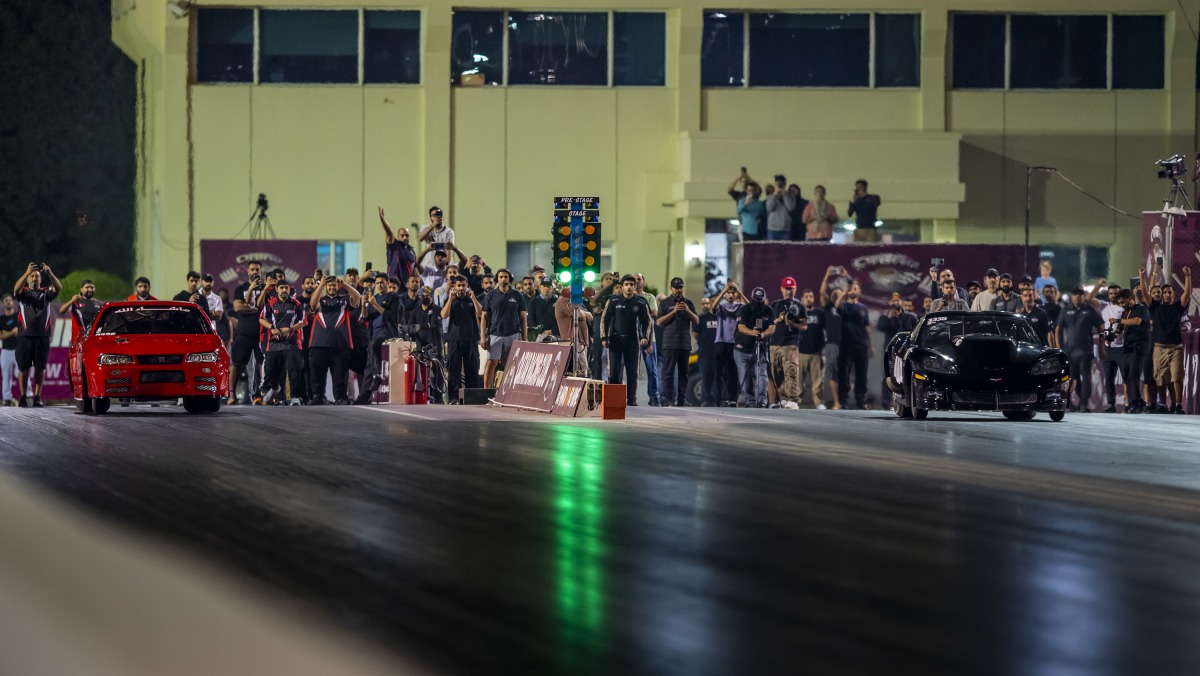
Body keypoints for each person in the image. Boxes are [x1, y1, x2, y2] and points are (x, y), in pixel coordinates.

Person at [1144, 264, 1192, 414]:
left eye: (1170, 292)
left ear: (1173, 294)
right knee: (1161, 379)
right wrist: (1145, 276)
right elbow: (1146, 294)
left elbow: (1187, 293)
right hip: (1159, 349)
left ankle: (1178, 405)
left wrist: (1187, 276)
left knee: (1177, 377)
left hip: (1176, 348)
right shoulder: (1155, 308)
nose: (1167, 294)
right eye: (1164, 292)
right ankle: (1163, 404)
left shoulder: (1178, 307)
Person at [308, 272, 361, 405]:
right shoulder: (320, 299)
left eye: (334, 285)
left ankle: (340, 398)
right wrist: (321, 284)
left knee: (340, 374)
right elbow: (312, 305)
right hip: (318, 343)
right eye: (329, 285)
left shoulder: (344, 299)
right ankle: (317, 397)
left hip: (340, 343)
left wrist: (344, 284)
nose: (332, 287)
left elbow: (357, 298)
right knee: (317, 374)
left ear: (338, 286)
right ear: (326, 287)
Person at [13, 262, 61, 407]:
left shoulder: (46, 293)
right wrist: (27, 272)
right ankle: (23, 397)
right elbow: (16, 289)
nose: (34, 278)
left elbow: (58, 287)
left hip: (42, 336)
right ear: (28, 279)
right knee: (23, 368)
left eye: (37, 276)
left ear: (40, 279)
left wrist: (49, 273)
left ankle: (37, 397)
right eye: (32, 276)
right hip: (24, 336)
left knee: (40, 368)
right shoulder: (23, 293)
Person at [601, 275, 653, 405]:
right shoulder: (613, 301)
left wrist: (644, 337)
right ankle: (613, 399)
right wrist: (604, 337)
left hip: (633, 342)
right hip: (615, 341)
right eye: (626, 284)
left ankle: (632, 399)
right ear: (622, 286)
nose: (629, 287)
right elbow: (604, 319)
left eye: (631, 284)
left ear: (635, 286)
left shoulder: (641, 302)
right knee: (613, 371)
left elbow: (647, 321)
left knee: (632, 372)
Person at [258, 279, 305, 406]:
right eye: (281, 288)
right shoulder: (271, 303)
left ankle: (294, 397)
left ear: (289, 289)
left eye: (286, 288)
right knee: (270, 371)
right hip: (273, 344)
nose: (284, 290)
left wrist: (290, 329)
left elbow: (303, 321)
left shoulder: (296, 304)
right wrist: (272, 328)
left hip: (291, 343)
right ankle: (274, 388)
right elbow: (261, 319)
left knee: (294, 370)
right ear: (277, 290)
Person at [1056, 285, 1103, 412]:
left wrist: (1102, 347)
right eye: (1075, 294)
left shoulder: (1089, 310)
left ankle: (1083, 403)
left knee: (1086, 377)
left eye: (1080, 294)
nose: (1078, 296)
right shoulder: (1065, 310)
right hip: (1070, 351)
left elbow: (1101, 326)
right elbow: (1058, 329)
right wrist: (1059, 347)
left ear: (1084, 296)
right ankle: (1079, 400)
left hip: (1085, 351)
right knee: (1073, 378)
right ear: (1072, 296)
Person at [480, 268, 528, 388]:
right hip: (495, 333)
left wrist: (525, 337)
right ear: (497, 279)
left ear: (509, 278)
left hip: (513, 334)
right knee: (492, 362)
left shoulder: (517, 295)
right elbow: (484, 317)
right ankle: (486, 392)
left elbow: (523, 317)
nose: (503, 279)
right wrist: (483, 336)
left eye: (505, 277)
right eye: (501, 277)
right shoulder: (490, 295)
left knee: (510, 364)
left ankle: (508, 391)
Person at [656, 277, 698, 406]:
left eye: (680, 287)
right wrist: (673, 312)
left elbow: (697, 320)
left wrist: (687, 310)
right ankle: (669, 399)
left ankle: (681, 400)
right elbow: (659, 322)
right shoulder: (665, 303)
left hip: (684, 343)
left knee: (683, 373)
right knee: (668, 373)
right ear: (671, 288)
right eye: (676, 287)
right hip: (669, 343)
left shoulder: (688, 303)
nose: (678, 290)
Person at [229, 263, 266, 405]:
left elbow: (266, 307)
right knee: (236, 364)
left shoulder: (265, 289)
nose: (255, 271)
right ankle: (232, 395)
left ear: (261, 272)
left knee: (262, 364)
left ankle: (261, 395)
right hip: (244, 332)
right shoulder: (241, 289)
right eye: (252, 269)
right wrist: (256, 308)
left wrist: (249, 307)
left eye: (257, 269)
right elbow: (237, 307)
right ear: (248, 272)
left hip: (261, 333)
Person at [1087, 280, 1125, 413]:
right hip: (1108, 348)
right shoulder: (1103, 306)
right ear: (1108, 295)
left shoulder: (1125, 308)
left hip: (1122, 347)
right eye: (1111, 293)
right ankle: (1111, 404)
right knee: (1108, 377)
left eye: (1116, 293)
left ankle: (1128, 403)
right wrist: (1098, 286)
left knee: (1126, 377)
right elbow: (1088, 299)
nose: (1113, 295)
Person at [443, 275, 482, 403]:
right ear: (454, 286)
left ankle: (472, 398)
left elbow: (480, 313)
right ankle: (454, 398)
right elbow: (444, 315)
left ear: (467, 286)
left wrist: (473, 298)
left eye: (463, 285)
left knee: (472, 369)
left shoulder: (471, 299)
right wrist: (450, 299)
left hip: (471, 339)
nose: (461, 288)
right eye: (458, 286)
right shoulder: (451, 299)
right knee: (453, 370)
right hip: (454, 340)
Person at [768, 277, 806, 409]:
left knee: (791, 371)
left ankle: (793, 399)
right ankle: (783, 398)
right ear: (781, 289)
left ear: (795, 289)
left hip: (790, 343)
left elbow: (804, 325)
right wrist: (779, 319)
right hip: (775, 343)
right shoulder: (775, 304)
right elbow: (769, 322)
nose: (788, 291)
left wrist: (792, 322)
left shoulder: (800, 306)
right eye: (786, 288)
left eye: (791, 289)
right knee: (776, 372)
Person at [733, 287, 775, 408]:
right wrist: (753, 333)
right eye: (756, 300)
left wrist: (763, 334)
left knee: (762, 374)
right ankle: (749, 400)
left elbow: (772, 328)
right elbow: (741, 327)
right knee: (744, 376)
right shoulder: (744, 310)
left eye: (760, 301)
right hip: (742, 348)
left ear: (764, 299)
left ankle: (761, 400)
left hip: (760, 348)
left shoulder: (768, 310)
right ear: (752, 299)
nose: (758, 303)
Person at [1111, 288, 1150, 414]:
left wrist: (1118, 320)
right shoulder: (1125, 312)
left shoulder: (1141, 309)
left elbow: (1137, 321)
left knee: (1134, 374)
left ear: (1130, 298)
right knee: (1126, 374)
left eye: (1123, 302)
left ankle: (1134, 403)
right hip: (1128, 347)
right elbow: (1120, 329)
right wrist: (1112, 334)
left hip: (1140, 346)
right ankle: (1138, 401)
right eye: (1120, 303)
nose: (1121, 305)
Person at [875, 292, 917, 406]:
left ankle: (904, 401)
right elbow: (880, 327)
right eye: (893, 301)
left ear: (901, 302)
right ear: (889, 303)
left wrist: (900, 316)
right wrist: (889, 318)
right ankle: (886, 401)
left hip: (905, 350)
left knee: (905, 375)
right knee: (888, 375)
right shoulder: (885, 317)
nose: (896, 303)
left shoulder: (909, 317)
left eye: (898, 300)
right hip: (890, 351)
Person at [709, 281, 744, 405]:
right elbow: (713, 307)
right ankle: (719, 398)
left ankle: (731, 398)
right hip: (721, 341)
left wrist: (740, 292)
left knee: (732, 372)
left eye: (733, 293)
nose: (730, 295)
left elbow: (750, 307)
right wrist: (723, 290)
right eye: (728, 293)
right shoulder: (721, 306)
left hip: (734, 342)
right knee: (719, 371)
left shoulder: (740, 306)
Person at [838, 288, 872, 410]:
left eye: (856, 288)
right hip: (845, 344)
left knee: (861, 373)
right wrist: (844, 293)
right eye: (852, 288)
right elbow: (837, 307)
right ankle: (843, 400)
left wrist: (870, 345)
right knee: (844, 373)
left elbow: (867, 327)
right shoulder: (843, 305)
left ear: (859, 291)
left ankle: (860, 400)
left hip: (860, 344)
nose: (854, 290)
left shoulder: (863, 308)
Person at [795, 288, 826, 409]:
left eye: (811, 296)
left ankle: (819, 402)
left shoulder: (819, 313)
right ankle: (797, 401)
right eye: (806, 297)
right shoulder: (798, 314)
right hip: (800, 352)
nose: (809, 299)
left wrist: (823, 347)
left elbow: (825, 330)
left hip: (816, 352)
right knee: (798, 380)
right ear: (802, 299)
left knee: (818, 380)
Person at [555, 287, 593, 375]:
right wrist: (583, 314)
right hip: (572, 340)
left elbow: (590, 316)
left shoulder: (574, 302)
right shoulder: (563, 302)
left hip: (581, 340)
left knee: (583, 367)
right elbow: (579, 315)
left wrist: (583, 313)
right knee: (580, 368)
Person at [378, 207, 418, 287]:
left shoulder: (411, 251)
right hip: (394, 286)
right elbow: (389, 232)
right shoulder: (395, 246)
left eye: (407, 235)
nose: (405, 237)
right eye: (402, 235)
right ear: (398, 236)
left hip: (407, 288)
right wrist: (382, 219)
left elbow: (413, 270)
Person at [693, 296, 718, 406]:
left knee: (716, 377)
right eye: (703, 304)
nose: (705, 306)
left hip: (717, 352)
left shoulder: (717, 317)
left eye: (707, 303)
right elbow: (695, 334)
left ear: (711, 305)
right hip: (704, 352)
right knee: (704, 376)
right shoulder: (699, 318)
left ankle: (716, 399)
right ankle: (706, 400)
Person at [728, 168, 765, 241]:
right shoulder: (739, 196)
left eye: (746, 181)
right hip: (743, 223)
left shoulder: (756, 199)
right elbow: (730, 189)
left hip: (753, 225)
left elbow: (758, 188)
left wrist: (747, 177)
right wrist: (739, 177)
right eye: (742, 181)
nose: (744, 183)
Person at [764, 175, 796, 241]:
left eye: (782, 184)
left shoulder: (790, 196)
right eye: (778, 184)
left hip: (785, 228)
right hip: (772, 228)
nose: (780, 186)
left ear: (785, 184)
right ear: (775, 184)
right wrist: (775, 195)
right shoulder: (770, 196)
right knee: (772, 247)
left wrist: (785, 195)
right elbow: (769, 208)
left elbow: (790, 208)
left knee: (785, 247)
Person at [1, 294, 19, 406]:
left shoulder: (18, 316)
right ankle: (7, 399)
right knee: (6, 376)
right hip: (6, 351)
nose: (8, 302)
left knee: (21, 372)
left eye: (10, 300)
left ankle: (28, 395)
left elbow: (21, 331)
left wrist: (6, 333)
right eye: (6, 300)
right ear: (3, 303)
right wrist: (12, 332)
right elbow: (0, 336)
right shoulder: (1, 319)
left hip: (18, 350)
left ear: (13, 302)